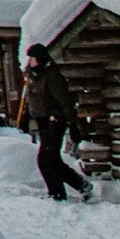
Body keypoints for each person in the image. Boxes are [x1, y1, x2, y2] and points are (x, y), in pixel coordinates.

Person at [22, 42, 93, 202]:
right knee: (51, 159)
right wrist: (26, 116)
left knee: (45, 159)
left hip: (55, 122)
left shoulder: (52, 76)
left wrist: (72, 124)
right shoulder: (33, 75)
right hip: (42, 121)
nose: (30, 61)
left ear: (40, 59)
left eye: (32, 58)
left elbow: (65, 102)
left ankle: (57, 193)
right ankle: (81, 185)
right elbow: (31, 98)